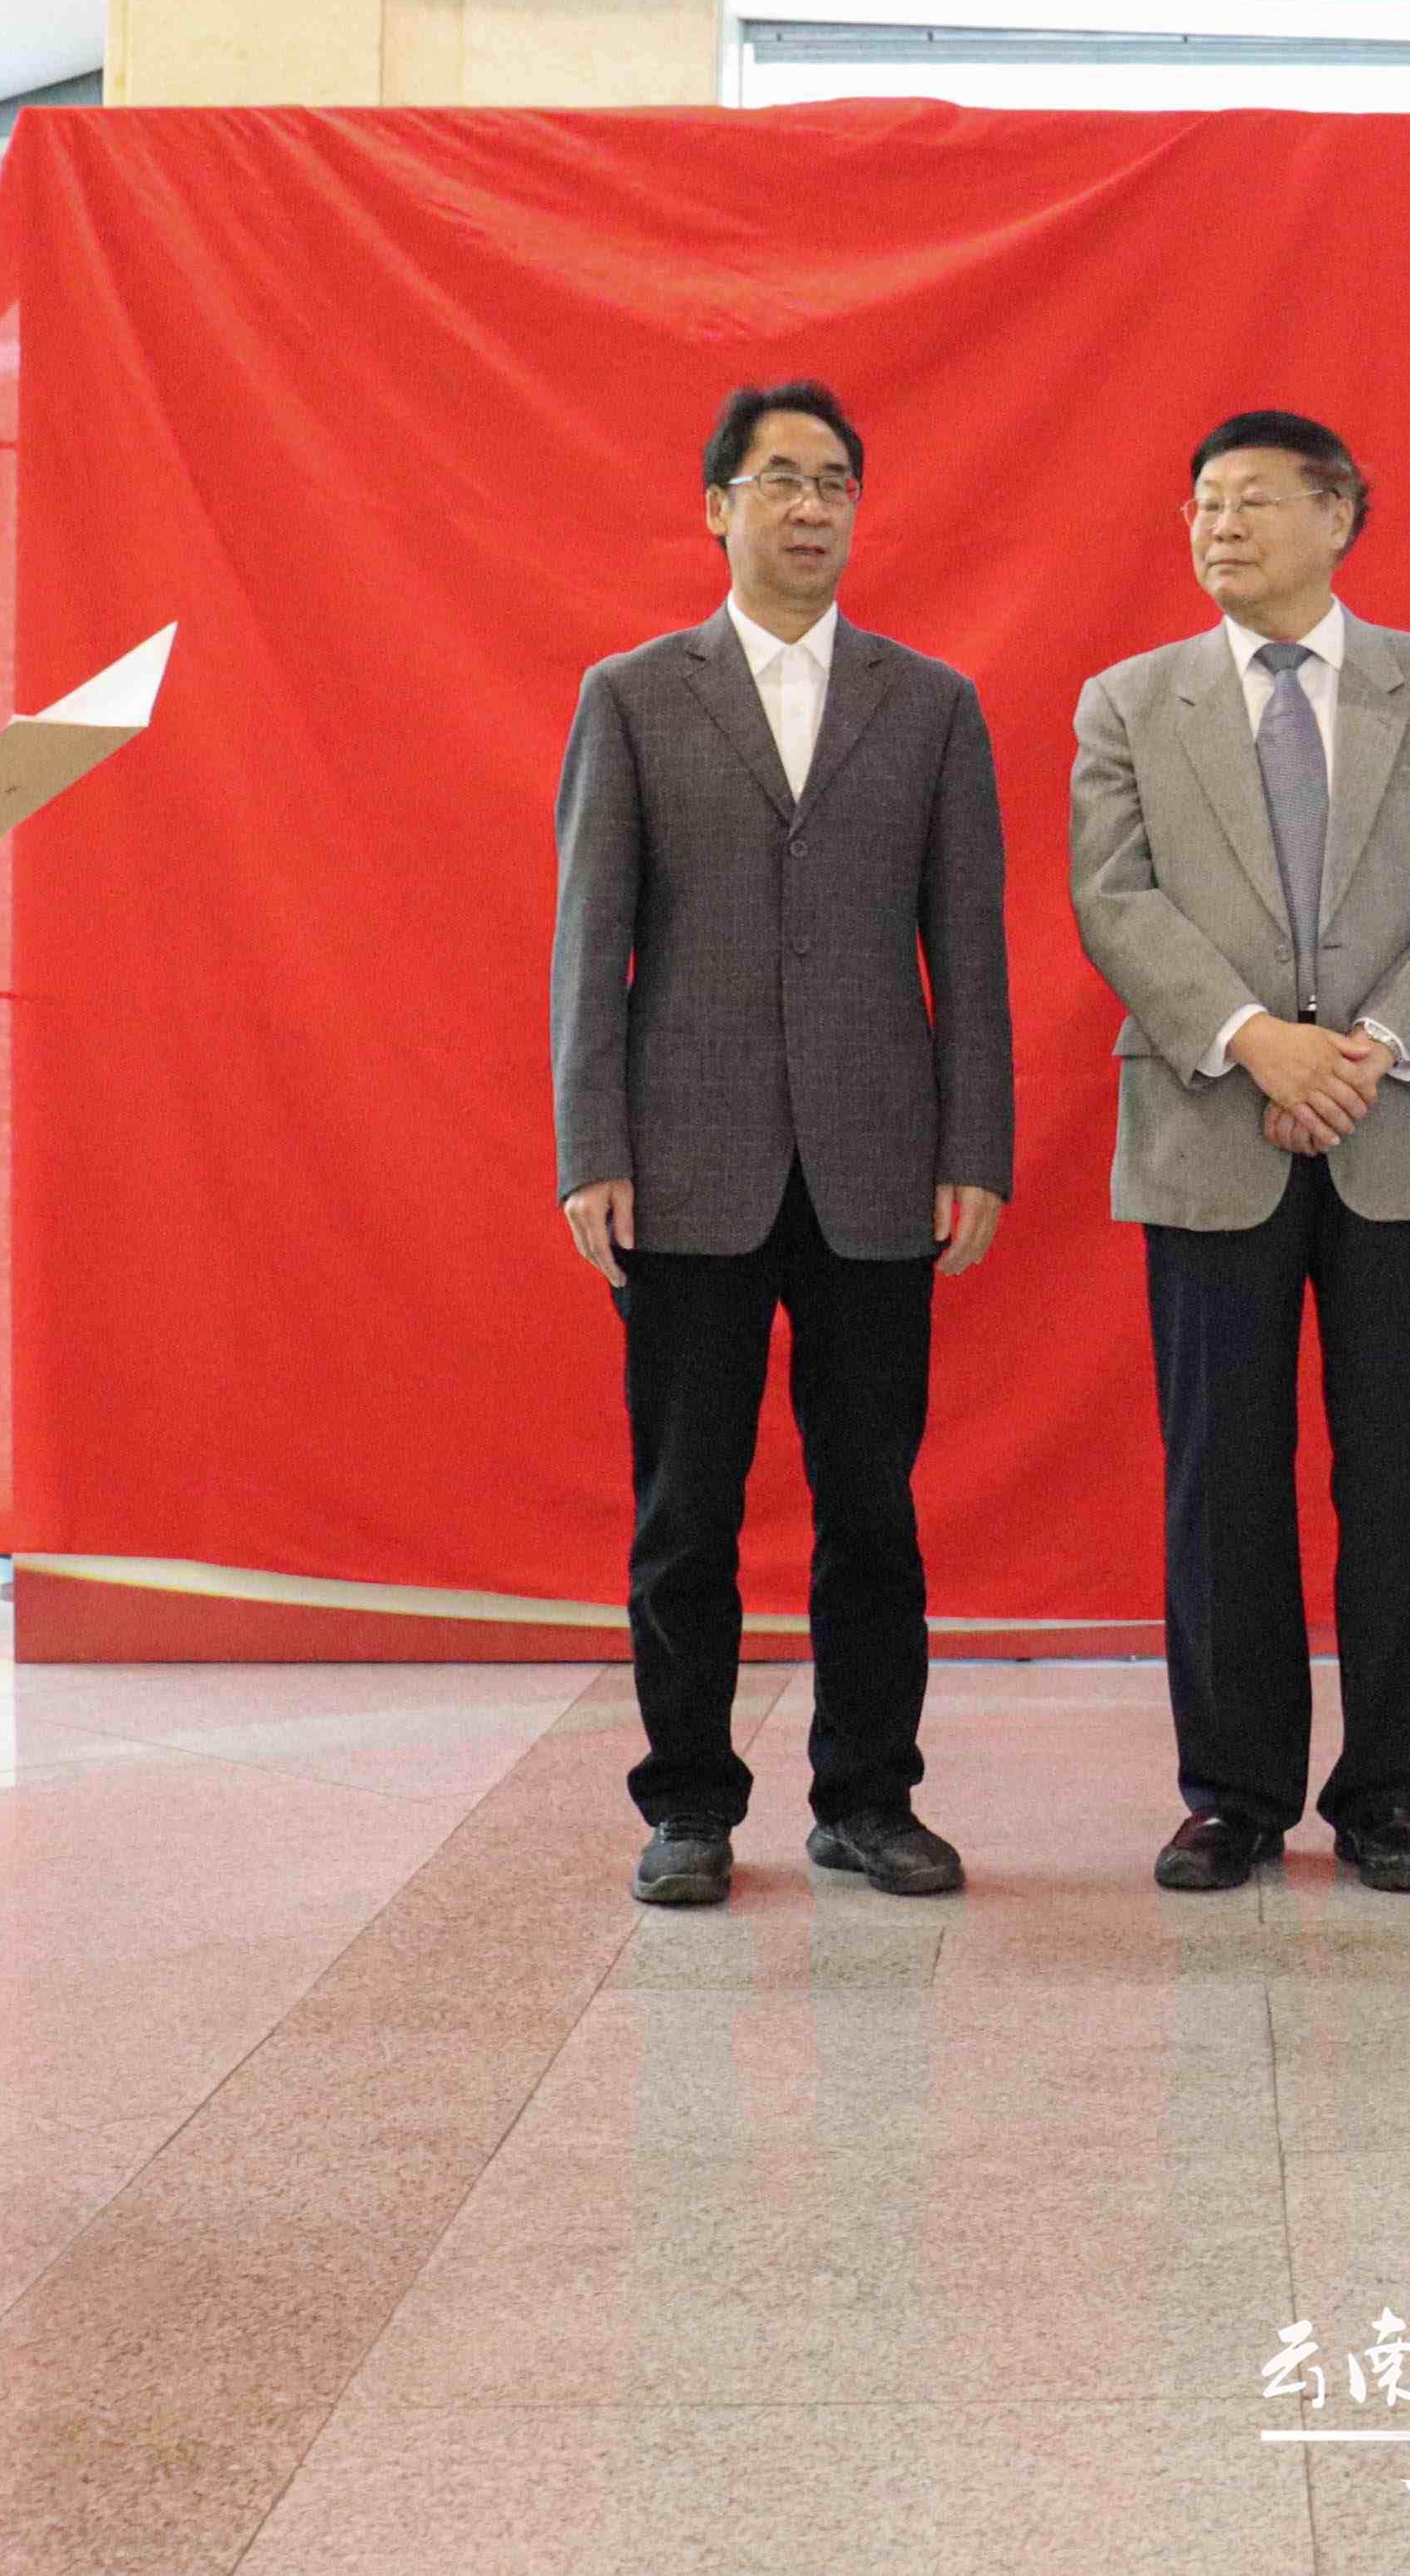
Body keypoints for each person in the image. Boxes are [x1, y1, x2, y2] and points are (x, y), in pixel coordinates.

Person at [552, 382, 1013, 1912]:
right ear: (716, 507)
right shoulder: (634, 694)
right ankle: (686, 1803)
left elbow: (972, 945)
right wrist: (588, 1146)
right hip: (687, 1161)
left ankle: (869, 1798)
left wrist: (979, 1144)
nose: (809, 508)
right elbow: (590, 942)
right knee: (686, 1505)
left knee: (872, 1502)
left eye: (834, 483)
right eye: (778, 481)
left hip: (881, 1162)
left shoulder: (931, 702)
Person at [1072, 411, 1410, 1894]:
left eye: (1254, 500)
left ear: (1340, 514)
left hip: (1399, 1127)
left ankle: (1393, 1792)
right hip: (1213, 1121)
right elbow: (1117, 899)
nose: (1219, 526)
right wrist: (1255, 1037)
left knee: (1396, 1475)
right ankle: (1234, 1790)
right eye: (1202, 503)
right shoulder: (1132, 702)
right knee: (1221, 1475)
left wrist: (1370, 1050)